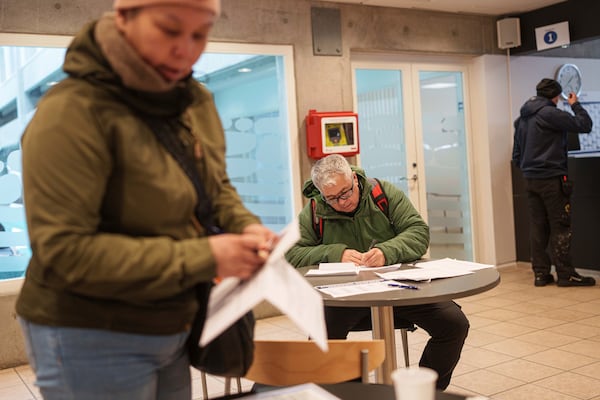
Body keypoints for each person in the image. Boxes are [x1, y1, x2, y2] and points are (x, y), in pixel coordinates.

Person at [15, 1, 278, 399]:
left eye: (200, 34)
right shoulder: (73, 111)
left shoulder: (194, 101)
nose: (186, 50)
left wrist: (245, 225)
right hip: (90, 332)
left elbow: (216, 189)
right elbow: (64, 252)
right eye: (170, 30)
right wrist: (207, 257)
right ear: (123, 18)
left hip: (172, 322)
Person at [285, 154, 469, 390]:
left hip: (400, 289)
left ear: (354, 178)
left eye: (346, 192)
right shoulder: (314, 209)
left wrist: (387, 251)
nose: (342, 202)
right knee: (320, 340)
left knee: (454, 325)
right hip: (344, 296)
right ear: (321, 194)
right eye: (332, 198)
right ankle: (350, 394)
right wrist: (335, 253)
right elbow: (292, 254)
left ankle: (424, 390)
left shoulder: (382, 193)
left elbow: (418, 232)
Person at [512, 78, 596, 287]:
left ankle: (541, 274)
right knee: (561, 226)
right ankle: (566, 275)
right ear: (555, 96)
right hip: (552, 179)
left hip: (530, 180)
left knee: (538, 227)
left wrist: (529, 169)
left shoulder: (522, 118)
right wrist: (575, 104)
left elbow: (516, 155)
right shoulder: (551, 113)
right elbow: (584, 125)